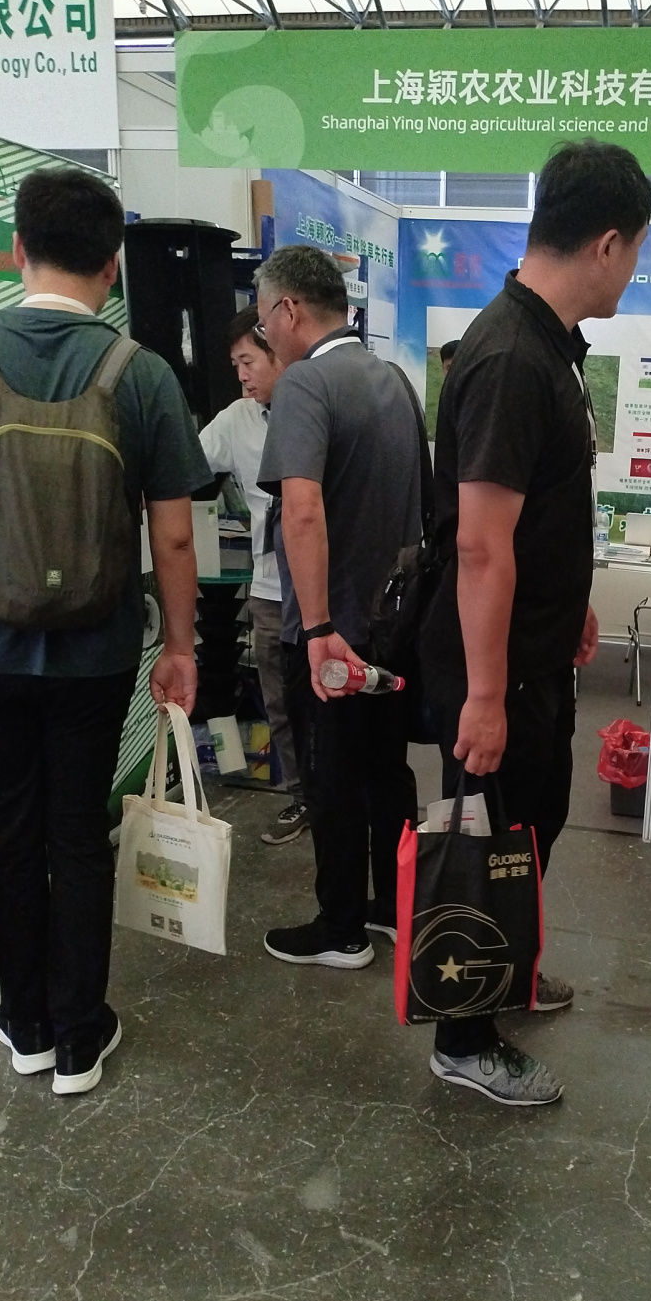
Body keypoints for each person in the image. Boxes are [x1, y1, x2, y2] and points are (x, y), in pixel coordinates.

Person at [418, 140, 651, 1106]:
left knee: (530, 827)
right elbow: (480, 546)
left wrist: (567, 614)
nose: (632, 271)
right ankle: (464, 1035)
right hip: (496, 671)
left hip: (531, 656)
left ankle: (505, 972)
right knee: (489, 840)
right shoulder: (513, 356)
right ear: (607, 244)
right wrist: (484, 695)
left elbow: (537, 519)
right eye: (635, 251)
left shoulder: (547, 345)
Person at [0, 168, 209, 1095]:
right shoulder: (140, 372)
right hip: (97, 652)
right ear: (112, 267)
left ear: (16, 252)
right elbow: (176, 535)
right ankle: (80, 1036)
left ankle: (25, 1023)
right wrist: (182, 647)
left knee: (4, 832)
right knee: (78, 832)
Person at [254, 245, 421, 968]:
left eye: (264, 319)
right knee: (387, 771)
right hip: (391, 626)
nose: (265, 334)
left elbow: (302, 509)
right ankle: (393, 907)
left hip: (328, 634)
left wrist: (319, 625)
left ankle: (342, 928)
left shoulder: (305, 384)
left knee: (331, 781)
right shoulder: (394, 378)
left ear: (289, 309)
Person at [198, 306, 308, 846]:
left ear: (278, 354)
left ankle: (343, 796)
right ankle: (302, 797)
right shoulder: (236, 419)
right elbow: (186, 464)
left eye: (249, 362)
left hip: (323, 585)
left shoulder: (316, 405)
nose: (242, 375)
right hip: (268, 589)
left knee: (331, 699)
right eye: (236, 364)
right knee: (279, 701)